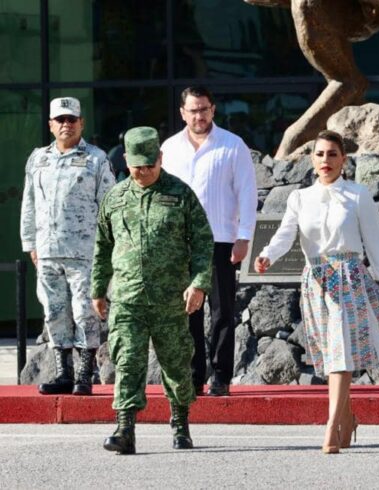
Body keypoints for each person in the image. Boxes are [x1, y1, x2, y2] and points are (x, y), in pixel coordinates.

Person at [255, 130, 379, 454]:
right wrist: (268, 254)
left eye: (333, 154)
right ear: (312, 159)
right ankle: (348, 417)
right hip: (315, 282)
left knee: (340, 351)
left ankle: (330, 427)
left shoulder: (357, 195)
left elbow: (376, 239)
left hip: (349, 279)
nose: (326, 160)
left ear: (344, 159)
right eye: (321, 154)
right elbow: (285, 235)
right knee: (333, 353)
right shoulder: (300, 198)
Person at [91, 126, 213, 454]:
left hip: (171, 299)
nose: (143, 172)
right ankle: (125, 428)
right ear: (126, 162)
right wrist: (98, 289)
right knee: (128, 361)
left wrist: (199, 284)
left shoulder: (180, 194)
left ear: (160, 158)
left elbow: (203, 242)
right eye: (136, 166)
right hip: (128, 298)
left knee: (175, 364)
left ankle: (180, 422)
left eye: (149, 165)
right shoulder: (115, 198)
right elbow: (102, 246)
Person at [161, 86, 258, 396]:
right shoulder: (170, 148)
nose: (199, 115)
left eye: (204, 109)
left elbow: (247, 193)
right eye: (193, 110)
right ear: (182, 113)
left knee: (222, 311)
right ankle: (193, 375)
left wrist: (244, 237)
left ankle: (220, 375)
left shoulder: (233, 145)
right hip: (180, 243)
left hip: (221, 240)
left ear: (213, 110)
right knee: (188, 311)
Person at [20, 97, 116, 396]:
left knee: (84, 312)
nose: (66, 124)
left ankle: (85, 375)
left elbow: (108, 206)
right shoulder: (38, 158)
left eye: (71, 119)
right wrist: (30, 243)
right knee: (53, 311)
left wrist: (107, 249)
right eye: (60, 120)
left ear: (81, 123)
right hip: (47, 251)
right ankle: (64, 373)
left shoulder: (97, 159)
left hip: (84, 253)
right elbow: (29, 203)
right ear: (51, 125)